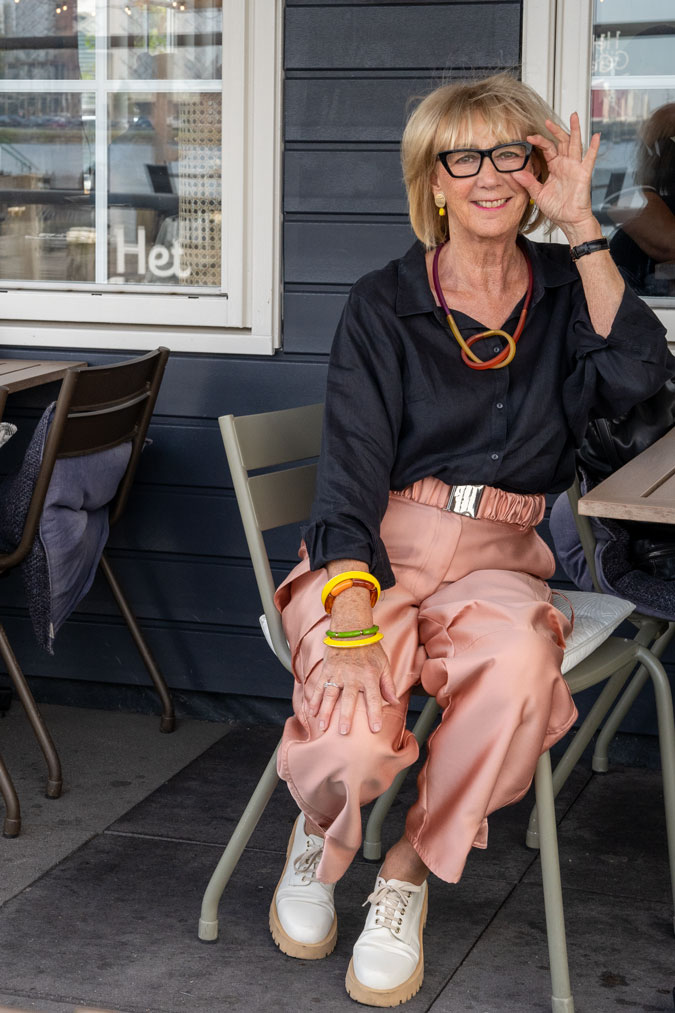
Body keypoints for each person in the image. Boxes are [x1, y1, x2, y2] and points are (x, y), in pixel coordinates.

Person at [268, 73, 675, 1008]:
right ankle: (319, 823)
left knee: (517, 671)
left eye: (512, 154)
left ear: (536, 170)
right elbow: (348, 475)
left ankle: (404, 870)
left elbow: (637, 370)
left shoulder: (570, 291)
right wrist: (355, 611)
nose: (489, 175)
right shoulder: (383, 304)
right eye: (466, 156)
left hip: (502, 557)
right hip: (380, 545)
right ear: (434, 178)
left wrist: (582, 227)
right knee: (353, 727)